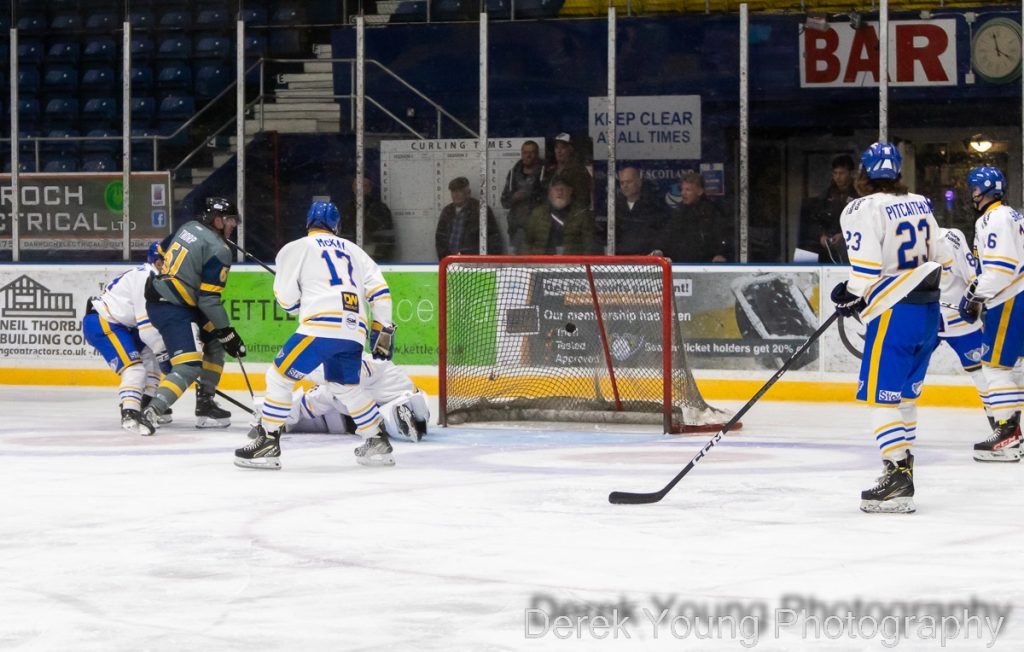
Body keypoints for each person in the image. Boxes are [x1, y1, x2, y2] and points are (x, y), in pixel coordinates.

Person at [235, 200, 397, 470]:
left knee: (279, 376)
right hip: (354, 331)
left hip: (320, 326)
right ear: (337, 226)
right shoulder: (356, 251)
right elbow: (380, 292)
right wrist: (383, 330)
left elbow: (286, 298)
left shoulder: (296, 248)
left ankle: (267, 442)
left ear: (308, 223)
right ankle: (376, 440)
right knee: (344, 386)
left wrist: (298, 304)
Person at [830, 142, 940, 514]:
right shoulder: (920, 202)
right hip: (928, 312)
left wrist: (849, 294)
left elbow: (865, 273)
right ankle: (902, 471)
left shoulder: (861, 208)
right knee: (904, 399)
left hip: (895, 313)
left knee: (881, 400)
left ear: (863, 173)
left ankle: (896, 476)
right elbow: (942, 256)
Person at [142, 197, 244, 430]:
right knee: (189, 365)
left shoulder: (188, 227)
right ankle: (151, 411)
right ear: (216, 220)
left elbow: (159, 251)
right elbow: (209, 300)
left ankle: (205, 402)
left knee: (216, 342)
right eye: (229, 220)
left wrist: (223, 334)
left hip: (172, 301)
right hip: (173, 308)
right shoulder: (220, 250)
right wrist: (228, 332)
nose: (232, 225)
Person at [958, 166, 1024, 462]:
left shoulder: (993, 219)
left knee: (996, 368)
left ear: (983, 190)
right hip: (1016, 295)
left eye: (974, 189)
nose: (972, 194)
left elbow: (1001, 269)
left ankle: (1007, 435)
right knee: (1013, 368)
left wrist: (974, 295)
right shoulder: (1012, 215)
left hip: (1010, 298)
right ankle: (1013, 434)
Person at [82, 241, 169, 435]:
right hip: (104, 322)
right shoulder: (146, 278)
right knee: (135, 368)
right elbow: (147, 327)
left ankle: (146, 402)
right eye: (170, 260)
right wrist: (165, 355)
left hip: (124, 325)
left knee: (152, 359)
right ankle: (130, 412)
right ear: (158, 262)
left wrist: (163, 355)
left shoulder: (156, 278)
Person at [248, 354, 429, 442]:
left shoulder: (368, 362)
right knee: (324, 406)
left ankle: (400, 415)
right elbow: (304, 404)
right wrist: (269, 416)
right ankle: (399, 419)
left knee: (404, 407)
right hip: (409, 403)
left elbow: (354, 373)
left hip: (405, 398)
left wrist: (304, 371)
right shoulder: (329, 390)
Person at [933, 227, 992, 429]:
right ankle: (1003, 429)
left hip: (947, 319)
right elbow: (973, 277)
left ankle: (1003, 429)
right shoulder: (949, 236)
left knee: (983, 375)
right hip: (936, 320)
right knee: (908, 375)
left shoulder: (950, 237)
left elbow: (973, 278)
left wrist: (974, 302)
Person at [798, 154, 859, 263]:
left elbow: (862, 222)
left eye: (841, 173)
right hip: (826, 242)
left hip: (851, 242)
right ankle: (803, 274)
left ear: (851, 173)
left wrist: (844, 235)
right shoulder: (826, 195)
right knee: (805, 251)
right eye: (835, 173)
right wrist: (821, 235)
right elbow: (814, 220)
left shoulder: (859, 195)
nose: (838, 177)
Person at [661, 171, 732, 262]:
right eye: (682, 189)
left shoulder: (711, 212)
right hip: (680, 264)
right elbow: (667, 237)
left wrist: (720, 254)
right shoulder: (678, 213)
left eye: (688, 190)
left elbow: (721, 237)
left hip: (705, 265)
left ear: (700, 191)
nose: (683, 193)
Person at [522, 175, 595, 255]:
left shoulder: (581, 215)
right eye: (556, 189)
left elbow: (589, 245)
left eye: (563, 189)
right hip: (541, 261)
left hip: (570, 261)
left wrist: (582, 262)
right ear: (550, 191)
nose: (560, 193)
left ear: (570, 191)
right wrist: (529, 261)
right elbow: (526, 242)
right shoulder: (537, 214)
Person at [434, 176, 504, 259]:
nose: (456, 195)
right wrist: (444, 259)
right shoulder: (447, 211)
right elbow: (440, 237)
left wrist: (489, 261)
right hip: (450, 260)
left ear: (468, 193)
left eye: (460, 191)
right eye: (453, 191)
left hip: (474, 261)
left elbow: (494, 237)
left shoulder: (481, 209)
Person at [501, 140, 547, 254]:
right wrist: (514, 197)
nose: (528, 155)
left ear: (537, 154)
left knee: (539, 262)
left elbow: (551, 200)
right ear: (521, 154)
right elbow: (504, 201)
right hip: (517, 229)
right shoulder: (513, 173)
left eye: (532, 152)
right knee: (517, 262)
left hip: (539, 228)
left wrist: (531, 195)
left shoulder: (546, 172)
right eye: (525, 152)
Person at [613, 166, 669, 255]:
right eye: (622, 183)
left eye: (629, 182)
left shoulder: (653, 206)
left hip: (646, 259)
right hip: (621, 259)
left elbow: (662, 234)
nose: (625, 186)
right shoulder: (615, 208)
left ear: (639, 182)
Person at [339, 176, 396, 261]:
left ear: (369, 189)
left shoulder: (380, 209)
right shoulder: (345, 208)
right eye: (356, 185)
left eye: (364, 185)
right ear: (352, 187)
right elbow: (342, 233)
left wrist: (378, 256)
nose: (359, 188)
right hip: (349, 253)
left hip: (373, 254)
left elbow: (386, 237)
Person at [545, 132, 592, 207]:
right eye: (556, 147)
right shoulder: (550, 170)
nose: (559, 151)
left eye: (563, 147)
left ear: (571, 149)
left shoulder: (578, 171)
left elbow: (583, 200)